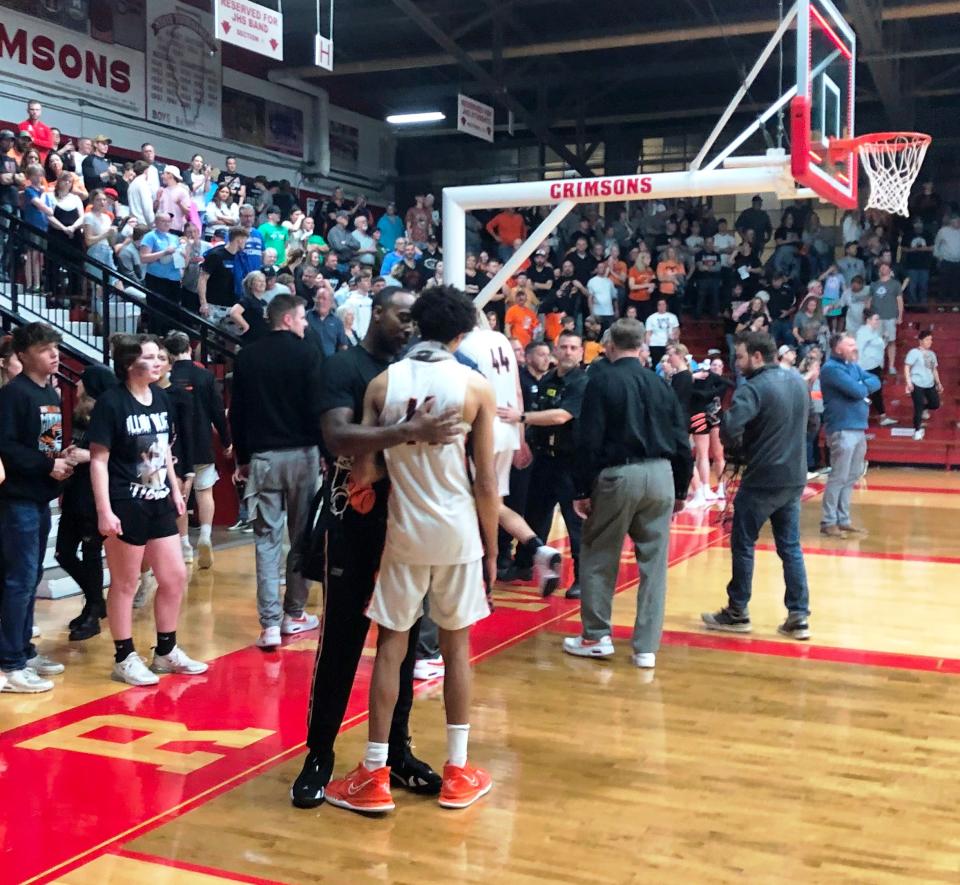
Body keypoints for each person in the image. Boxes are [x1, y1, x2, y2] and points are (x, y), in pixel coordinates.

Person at [323, 286, 498, 814]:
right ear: (462, 333)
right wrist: (492, 550)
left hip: (404, 531)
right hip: (459, 532)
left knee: (391, 647)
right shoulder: (474, 386)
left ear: (416, 324)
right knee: (456, 647)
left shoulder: (381, 382)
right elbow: (486, 482)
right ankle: (458, 770)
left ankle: (374, 773)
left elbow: (366, 468)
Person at [290, 287, 460, 809]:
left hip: (409, 520)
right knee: (341, 641)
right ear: (376, 313)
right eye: (401, 316)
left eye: (415, 320)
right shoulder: (343, 366)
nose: (409, 326)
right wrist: (410, 430)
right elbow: (339, 437)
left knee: (401, 645)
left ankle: (395, 753)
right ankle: (318, 756)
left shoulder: (420, 371)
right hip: (354, 516)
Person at [563, 319, 692, 668]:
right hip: (662, 473)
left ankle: (595, 636)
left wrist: (581, 487)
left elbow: (587, 440)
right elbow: (682, 439)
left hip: (618, 475)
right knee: (654, 564)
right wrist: (681, 486)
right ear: (643, 344)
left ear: (608, 345)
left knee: (599, 555)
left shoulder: (601, 380)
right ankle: (646, 648)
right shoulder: (661, 383)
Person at [87, 334, 206, 685]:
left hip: (158, 500)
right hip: (126, 501)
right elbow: (97, 460)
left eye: (160, 357)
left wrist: (174, 487)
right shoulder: (111, 403)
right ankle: (124, 656)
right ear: (128, 365)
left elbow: (162, 449)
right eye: (151, 357)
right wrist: (104, 510)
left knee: (174, 577)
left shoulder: (161, 399)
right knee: (126, 582)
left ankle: (166, 651)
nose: (159, 363)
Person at [701, 331, 812, 640]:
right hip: (794, 476)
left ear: (757, 357)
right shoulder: (798, 383)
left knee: (743, 543)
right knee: (790, 547)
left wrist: (743, 447)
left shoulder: (753, 389)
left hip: (762, 477)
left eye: (739, 357)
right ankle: (799, 615)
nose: (736, 363)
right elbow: (812, 424)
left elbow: (731, 428)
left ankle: (737, 611)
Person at [229, 294, 324, 648]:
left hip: (263, 458)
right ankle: (293, 614)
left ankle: (269, 624)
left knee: (266, 540)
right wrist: (327, 452)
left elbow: (236, 412)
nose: (305, 324)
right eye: (301, 318)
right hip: (303, 455)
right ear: (287, 319)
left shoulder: (248, 356)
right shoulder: (308, 352)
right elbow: (319, 406)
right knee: (301, 538)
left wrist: (242, 457)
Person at [459, 315, 563, 596]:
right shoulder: (501, 340)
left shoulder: (464, 346)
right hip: (507, 427)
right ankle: (537, 547)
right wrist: (519, 437)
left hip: (482, 430)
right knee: (492, 501)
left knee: (473, 501)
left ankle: (483, 574)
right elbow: (517, 391)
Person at [0, 323, 71, 693]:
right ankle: (9, 663)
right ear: (24, 355)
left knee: (29, 580)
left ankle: (23, 651)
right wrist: (48, 466)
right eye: (46, 349)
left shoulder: (51, 394)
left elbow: (46, 443)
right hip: (17, 499)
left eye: (56, 348)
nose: (54, 355)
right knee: (19, 579)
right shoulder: (14, 395)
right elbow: (7, 447)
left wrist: (63, 458)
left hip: (40, 496)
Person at [503, 331, 588, 598]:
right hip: (543, 458)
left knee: (575, 522)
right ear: (556, 351)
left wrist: (522, 417)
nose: (568, 352)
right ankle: (524, 564)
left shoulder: (582, 382)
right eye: (563, 347)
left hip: (570, 462)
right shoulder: (549, 379)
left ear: (582, 352)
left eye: (574, 347)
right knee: (534, 514)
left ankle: (581, 579)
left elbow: (561, 416)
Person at [58, 365, 118, 641]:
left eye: (83, 381)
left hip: (94, 493)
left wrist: (87, 457)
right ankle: (96, 599)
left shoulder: (109, 413)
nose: (78, 385)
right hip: (74, 490)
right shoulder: (82, 413)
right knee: (63, 552)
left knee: (91, 551)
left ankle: (93, 610)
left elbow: (115, 454)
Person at [166, 331, 231, 570]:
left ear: (169, 354)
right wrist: (227, 442)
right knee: (205, 491)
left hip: (176, 447)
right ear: (189, 348)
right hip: (202, 442)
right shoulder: (204, 376)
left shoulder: (167, 378)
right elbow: (217, 411)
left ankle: (184, 546)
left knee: (180, 495)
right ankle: (205, 534)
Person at [818, 333, 881, 538]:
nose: (855, 347)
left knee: (852, 475)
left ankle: (843, 519)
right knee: (839, 476)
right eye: (851, 344)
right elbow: (856, 390)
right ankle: (829, 521)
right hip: (842, 428)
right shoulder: (830, 369)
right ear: (838, 348)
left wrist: (862, 388)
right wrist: (862, 388)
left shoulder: (852, 367)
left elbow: (876, 380)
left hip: (857, 428)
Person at [856, 312, 896, 427]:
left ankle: (882, 416)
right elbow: (859, 349)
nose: (878, 322)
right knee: (866, 393)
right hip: (866, 368)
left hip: (876, 366)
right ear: (868, 320)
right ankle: (862, 417)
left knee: (877, 392)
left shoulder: (875, 333)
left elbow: (881, 346)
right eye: (876, 319)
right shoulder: (863, 332)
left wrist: (886, 338)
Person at [904, 330, 943, 441]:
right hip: (917, 383)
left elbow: (934, 369)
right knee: (918, 407)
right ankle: (917, 430)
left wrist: (938, 383)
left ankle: (925, 408)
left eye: (930, 339)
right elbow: (907, 367)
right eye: (927, 339)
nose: (929, 342)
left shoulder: (932, 354)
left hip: (929, 383)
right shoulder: (914, 352)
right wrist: (908, 382)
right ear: (920, 341)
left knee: (935, 404)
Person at [870, 262, 904, 374]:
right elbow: (869, 301)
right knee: (877, 342)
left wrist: (900, 316)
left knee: (891, 341)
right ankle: (879, 364)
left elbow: (899, 301)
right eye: (882, 267)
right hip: (876, 318)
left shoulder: (895, 284)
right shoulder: (874, 285)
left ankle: (891, 366)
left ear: (890, 269)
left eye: (886, 267)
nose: (884, 269)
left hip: (890, 316)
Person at [230, 270, 270, 345]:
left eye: (264, 281)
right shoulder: (247, 300)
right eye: (259, 281)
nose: (262, 283)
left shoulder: (263, 302)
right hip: (251, 339)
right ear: (251, 284)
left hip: (262, 339)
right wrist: (245, 326)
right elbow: (234, 312)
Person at [644, 298, 680, 366]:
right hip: (655, 344)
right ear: (657, 306)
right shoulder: (651, 318)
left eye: (663, 304)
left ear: (666, 305)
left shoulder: (673, 317)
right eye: (660, 305)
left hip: (669, 344)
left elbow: (676, 330)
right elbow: (648, 333)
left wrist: (676, 340)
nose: (662, 306)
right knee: (656, 364)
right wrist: (647, 346)